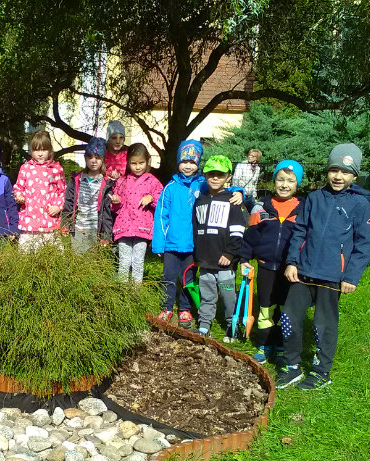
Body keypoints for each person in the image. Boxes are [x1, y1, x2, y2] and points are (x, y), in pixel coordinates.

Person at [276, 144, 370, 390]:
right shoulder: (314, 198)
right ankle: (292, 366)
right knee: (288, 318)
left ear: (354, 176)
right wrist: (292, 262)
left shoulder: (360, 204)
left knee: (323, 326)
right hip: (303, 272)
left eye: (345, 172)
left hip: (332, 276)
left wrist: (351, 277)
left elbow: (363, 244)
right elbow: (300, 231)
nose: (338, 176)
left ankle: (321, 372)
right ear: (327, 171)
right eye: (334, 170)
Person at [153, 141, 246, 328]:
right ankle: (166, 307)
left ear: (198, 164)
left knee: (188, 279)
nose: (188, 166)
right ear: (178, 162)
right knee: (168, 277)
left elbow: (221, 189)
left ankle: (185, 308)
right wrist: (159, 244)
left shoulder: (202, 184)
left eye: (192, 162)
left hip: (193, 244)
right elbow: (161, 216)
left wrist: (239, 192)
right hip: (171, 243)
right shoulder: (170, 188)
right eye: (184, 161)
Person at [239, 159, 305, 364]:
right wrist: (244, 259)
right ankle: (265, 343)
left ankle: (282, 344)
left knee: (286, 309)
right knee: (266, 308)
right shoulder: (261, 208)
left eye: (290, 181)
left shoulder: (304, 210)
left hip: (291, 270)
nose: (285, 185)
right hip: (266, 267)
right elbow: (250, 237)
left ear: (297, 184)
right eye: (280, 180)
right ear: (274, 181)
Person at [192, 155, 246, 339]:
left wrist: (230, 253)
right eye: (211, 174)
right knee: (207, 294)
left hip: (225, 262)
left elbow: (238, 230)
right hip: (205, 260)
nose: (215, 178)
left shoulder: (232, 201)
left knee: (228, 295)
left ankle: (232, 325)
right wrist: (196, 254)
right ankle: (204, 325)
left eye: (220, 175)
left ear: (228, 177)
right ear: (205, 175)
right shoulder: (200, 200)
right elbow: (195, 228)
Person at [110, 143, 163, 283]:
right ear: (128, 163)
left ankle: (136, 292)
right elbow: (115, 207)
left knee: (138, 262)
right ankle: (122, 290)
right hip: (124, 227)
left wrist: (151, 198)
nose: (138, 167)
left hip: (142, 228)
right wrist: (116, 201)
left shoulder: (153, 181)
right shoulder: (122, 181)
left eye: (141, 163)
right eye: (134, 163)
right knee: (124, 261)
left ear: (147, 161)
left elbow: (162, 201)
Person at [61, 136, 115, 254]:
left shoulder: (106, 184)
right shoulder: (76, 179)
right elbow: (69, 203)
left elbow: (107, 212)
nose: (93, 161)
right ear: (85, 158)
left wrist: (106, 236)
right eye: (90, 157)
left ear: (103, 159)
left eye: (97, 157)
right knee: (76, 260)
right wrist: (65, 224)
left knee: (92, 261)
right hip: (78, 229)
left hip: (95, 231)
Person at [13, 131, 65, 252]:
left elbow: (63, 192)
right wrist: (19, 196)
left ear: (50, 150)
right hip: (29, 221)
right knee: (26, 255)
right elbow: (18, 187)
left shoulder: (56, 169)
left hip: (49, 222)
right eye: (36, 150)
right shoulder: (25, 168)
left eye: (44, 149)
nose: (40, 154)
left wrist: (58, 207)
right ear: (31, 150)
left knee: (52, 255)